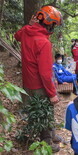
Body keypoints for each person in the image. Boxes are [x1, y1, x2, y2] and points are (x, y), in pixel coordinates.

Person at [14, 6, 62, 152]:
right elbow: (45, 73)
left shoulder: (27, 32)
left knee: (41, 111)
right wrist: (52, 93)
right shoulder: (44, 42)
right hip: (40, 84)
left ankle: (52, 134)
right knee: (44, 112)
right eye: (54, 24)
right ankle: (47, 143)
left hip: (28, 82)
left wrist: (29, 24)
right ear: (49, 23)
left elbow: (16, 36)